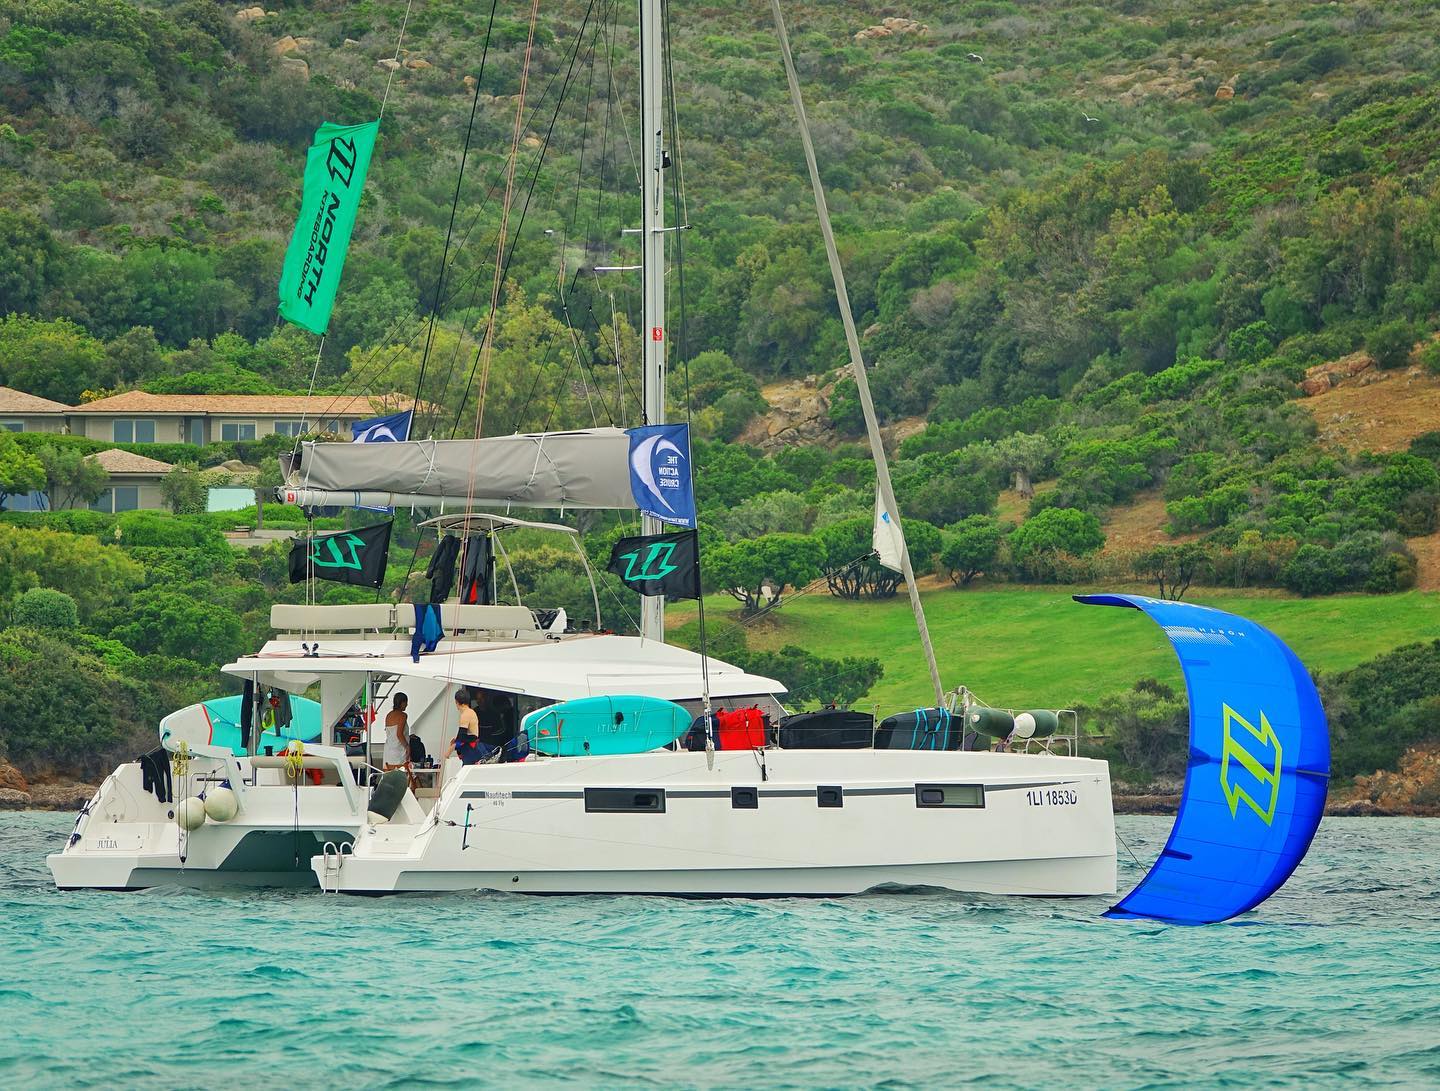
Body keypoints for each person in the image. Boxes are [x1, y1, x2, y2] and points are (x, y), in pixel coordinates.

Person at [443, 688, 483, 765]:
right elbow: (462, 736)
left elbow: (462, 736)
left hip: (470, 749)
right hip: (471, 748)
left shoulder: (465, 714)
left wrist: (450, 749)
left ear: (456, 702)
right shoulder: (471, 712)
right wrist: (457, 744)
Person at [383, 693, 411, 779]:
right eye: (406, 702)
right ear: (402, 702)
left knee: (389, 778)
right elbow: (399, 734)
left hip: (388, 752)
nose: (407, 704)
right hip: (399, 751)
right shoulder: (403, 715)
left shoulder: (389, 715)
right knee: (402, 778)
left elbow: (391, 733)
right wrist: (407, 747)